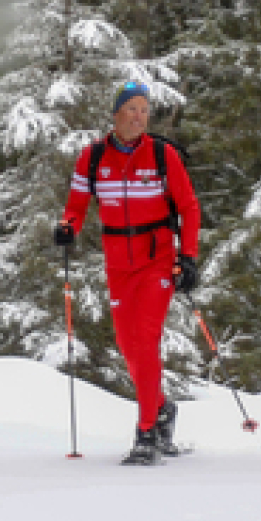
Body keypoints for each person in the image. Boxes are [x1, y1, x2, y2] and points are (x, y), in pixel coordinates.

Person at [55, 81, 201, 465]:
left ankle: (146, 431)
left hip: (157, 259)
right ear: (116, 114)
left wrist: (187, 256)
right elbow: (76, 204)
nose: (139, 116)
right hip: (118, 262)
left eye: (144, 109)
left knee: (146, 339)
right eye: (131, 108)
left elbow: (188, 207)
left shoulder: (161, 154)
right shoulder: (93, 157)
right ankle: (163, 407)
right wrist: (68, 225)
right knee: (127, 345)